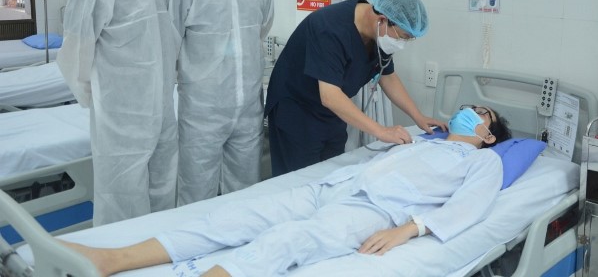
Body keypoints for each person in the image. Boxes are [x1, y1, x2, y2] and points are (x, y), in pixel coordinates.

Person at [64, 105, 511, 277]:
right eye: (467, 107)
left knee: (288, 241)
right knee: (233, 218)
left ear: (489, 135)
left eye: (481, 114)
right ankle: (113, 259)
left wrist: (410, 230)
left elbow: (471, 207)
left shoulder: (483, 160)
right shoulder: (420, 138)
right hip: (335, 186)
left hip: (375, 212)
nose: (469, 112)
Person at [57, 0, 180, 225]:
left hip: (161, 108)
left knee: (163, 191)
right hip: (121, 115)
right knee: (121, 202)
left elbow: (164, 40)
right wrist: (101, 101)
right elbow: (76, 54)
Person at [265, 0, 445, 176]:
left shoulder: (379, 35)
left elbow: (388, 76)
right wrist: (381, 131)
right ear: (382, 20)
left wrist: (418, 117)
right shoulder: (329, 28)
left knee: (329, 174)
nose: (402, 44)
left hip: (331, 114)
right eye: (403, 37)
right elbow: (330, 96)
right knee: (298, 181)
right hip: (296, 111)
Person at [166, 0, 274, 205]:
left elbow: (261, 28)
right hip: (202, 110)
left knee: (245, 188)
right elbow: (169, 46)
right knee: (196, 190)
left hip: (248, 105)